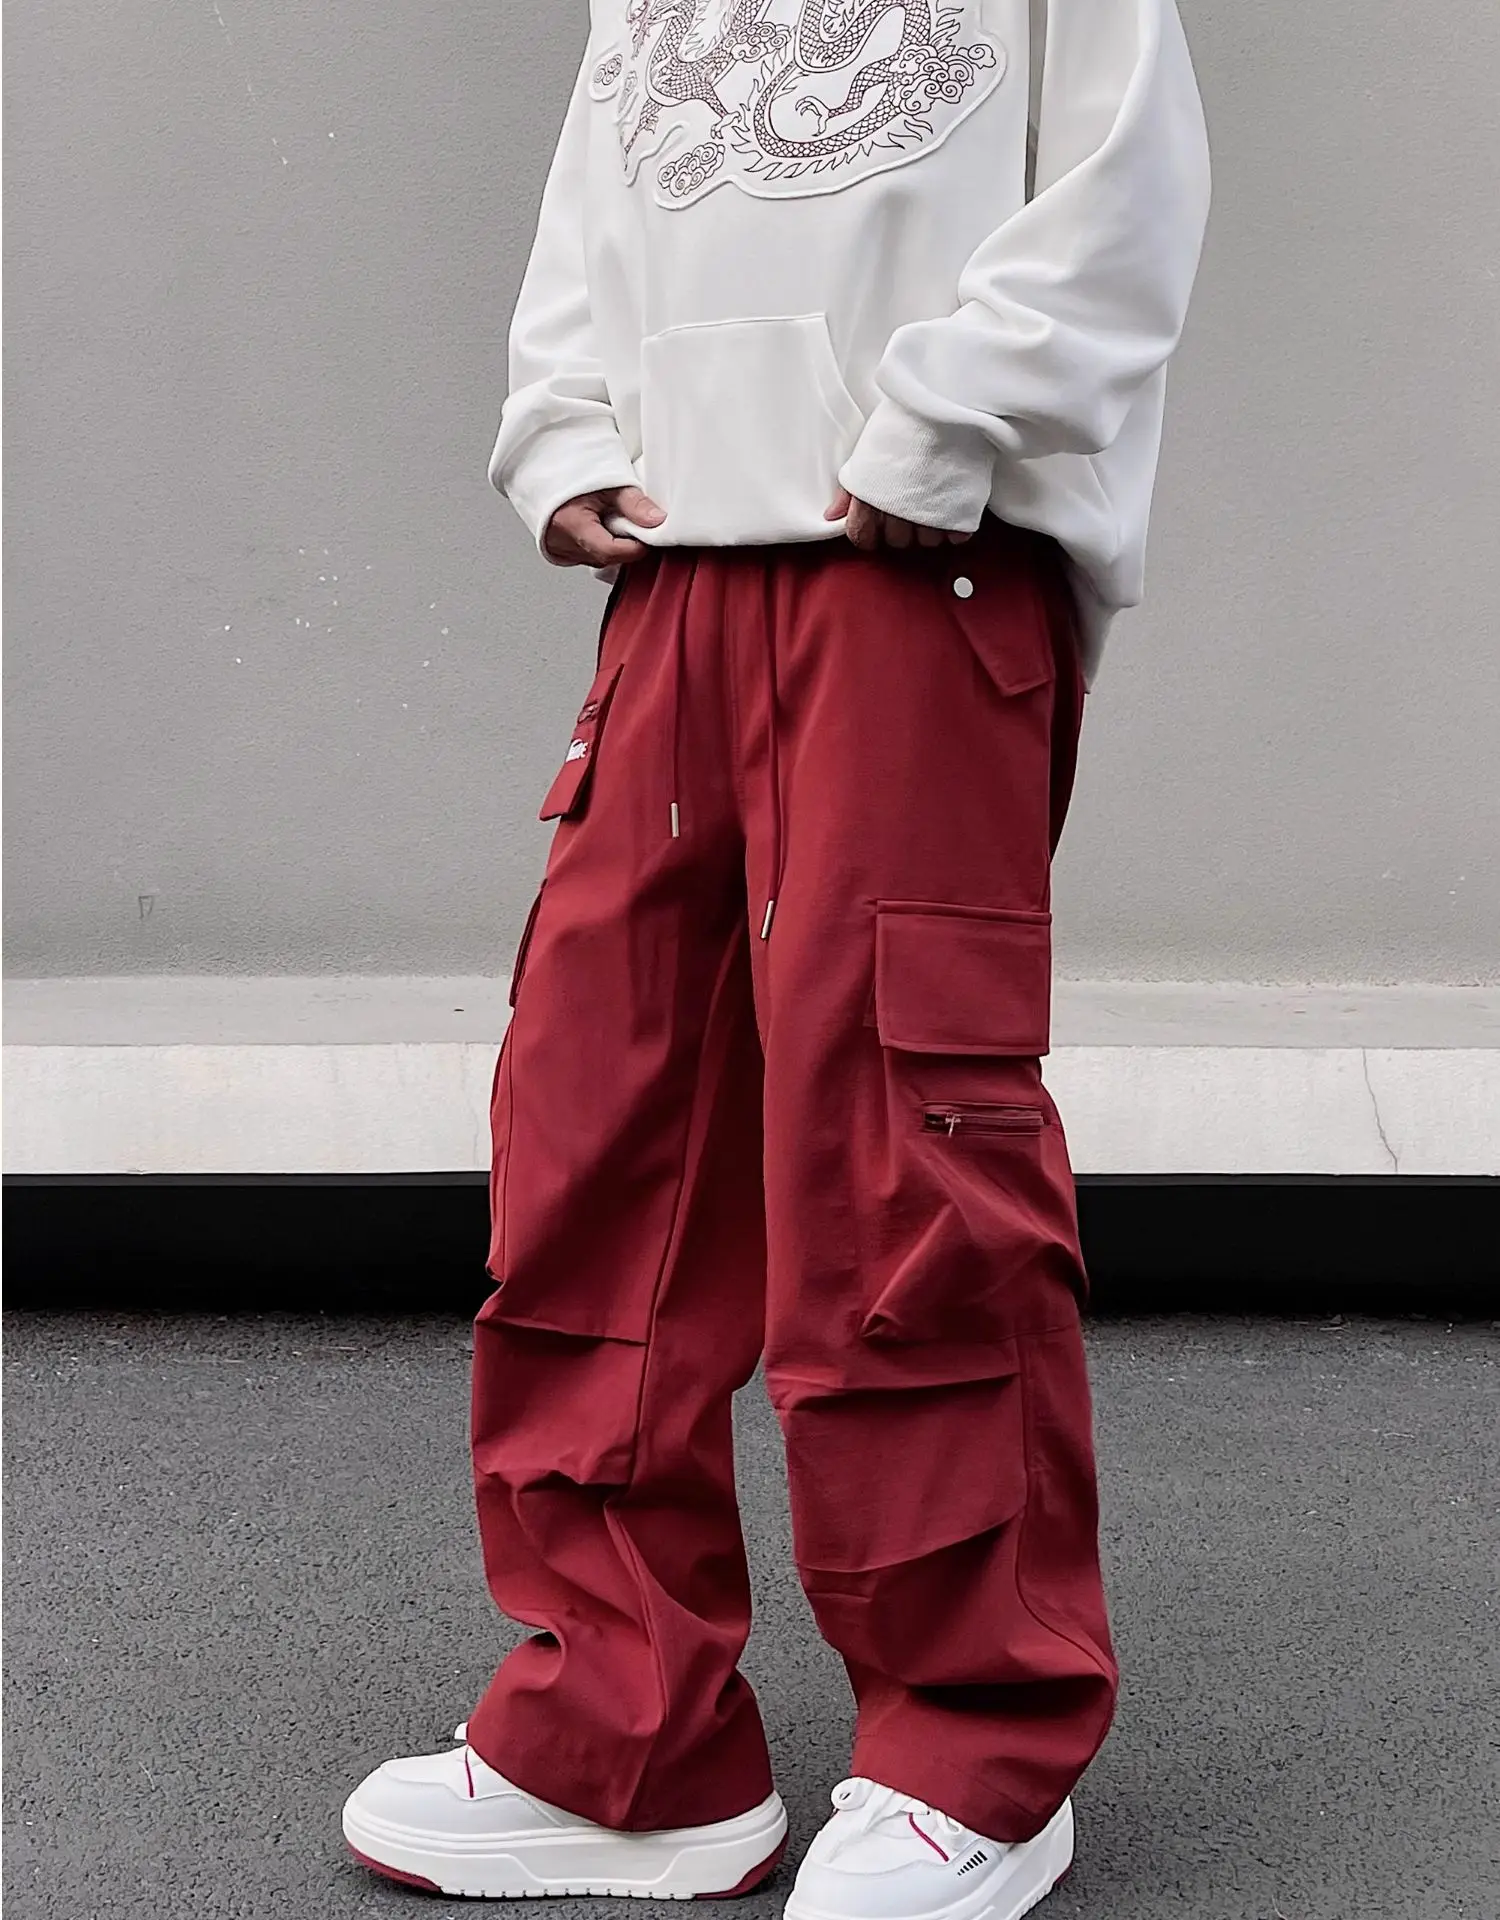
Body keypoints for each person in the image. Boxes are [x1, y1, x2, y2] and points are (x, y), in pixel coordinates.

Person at [343, 1, 1209, 1911]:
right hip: (674, 587)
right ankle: (625, 1743)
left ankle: (975, 1749)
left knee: (904, 1153)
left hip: (919, 563)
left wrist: (946, 416)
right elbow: (595, 194)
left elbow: (1130, 189)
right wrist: (560, 433)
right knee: (594, 1139)